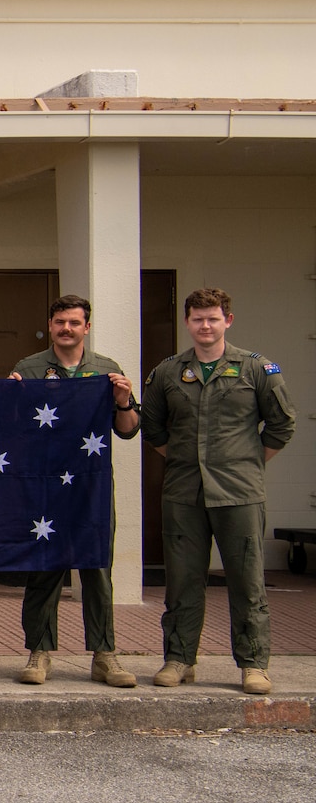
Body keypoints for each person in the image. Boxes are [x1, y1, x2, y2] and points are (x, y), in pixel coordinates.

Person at [142, 287, 295, 695]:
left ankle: (253, 665)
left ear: (228, 320)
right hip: (183, 494)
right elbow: (153, 429)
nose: (205, 326)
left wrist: (245, 460)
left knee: (247, 582)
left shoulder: (257, 369)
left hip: (239, 494)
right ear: (188, 322)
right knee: (182, 581)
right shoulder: (168, 372)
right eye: (197, 318)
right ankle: (179, 659)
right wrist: (186, 461)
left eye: (213, 318)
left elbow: (282, 425)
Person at [12, 295, 143, 688]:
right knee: (44, 570)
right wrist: (11, 400)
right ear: (50, 325)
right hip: (45, 486)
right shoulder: (29, 368)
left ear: (86, 327)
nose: (66, 328)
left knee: (97, 569)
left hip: (91, 485)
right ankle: (39, 651)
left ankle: (105, 655)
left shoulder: (106, 370)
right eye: (59, 322)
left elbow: (129, 428)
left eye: (73, 322)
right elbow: (14, 430)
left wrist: (122, 401)